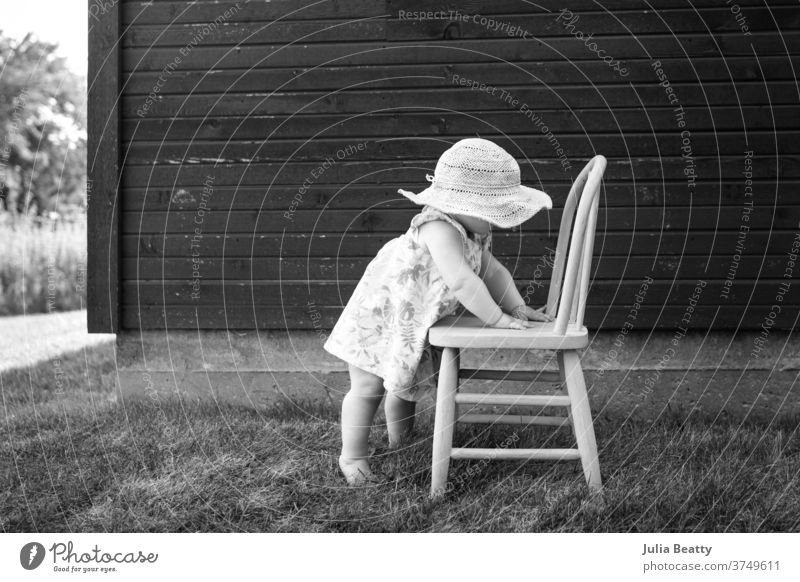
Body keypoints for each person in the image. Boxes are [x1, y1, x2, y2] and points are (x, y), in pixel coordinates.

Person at [323, 138, 554, 485]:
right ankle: (352, 456)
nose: (496, 220)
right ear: (460, 203)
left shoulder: (472, 234)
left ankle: (401, 441)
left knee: (404, 387)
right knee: (369, 386)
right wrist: (496, 318)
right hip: (380, 317)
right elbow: (462, 281)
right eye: (491, 210)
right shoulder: (439, 227)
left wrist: (518, 307)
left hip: (412, 320)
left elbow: (493, 274)